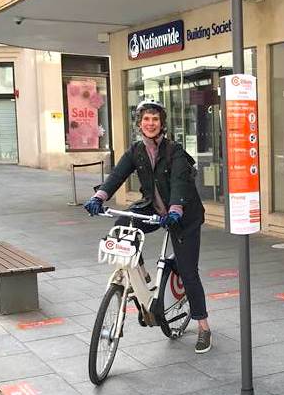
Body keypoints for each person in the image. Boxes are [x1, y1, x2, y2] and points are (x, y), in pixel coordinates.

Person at [84, 99, 212, 354]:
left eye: (155, 119)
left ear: (162, 123)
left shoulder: (174, 151)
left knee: (188, 272)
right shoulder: (136, 151)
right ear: (140, 124)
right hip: (153, 208)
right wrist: (99, 197)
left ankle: (203, 327)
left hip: (183, 215)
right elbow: (117, 175)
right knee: (121, 227)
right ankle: (142, 280)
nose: (150, 123)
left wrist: (175, 210)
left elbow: (179, 183)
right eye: (146, 119)